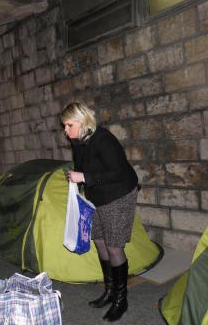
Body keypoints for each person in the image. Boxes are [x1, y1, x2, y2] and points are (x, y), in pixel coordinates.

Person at [61, 102, 138, 322]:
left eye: (68, 125)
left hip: (118, 194)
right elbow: (82, 166)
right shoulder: (78, 141)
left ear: (82, 122)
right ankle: (110, 290)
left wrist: (84, 178)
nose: (65, 131)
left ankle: (120, 299)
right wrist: (78, 181)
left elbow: (118, 172)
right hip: (97, 196)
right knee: (100, 241)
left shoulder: (104, 140)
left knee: (114, 246)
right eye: (64, 126)